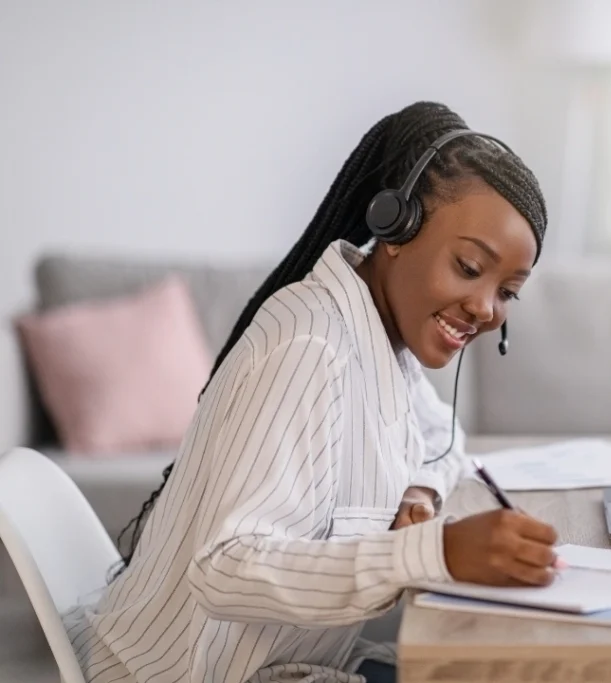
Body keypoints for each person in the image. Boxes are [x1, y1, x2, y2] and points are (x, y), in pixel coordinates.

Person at [61, 101, 560, 683]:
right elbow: (224, 567)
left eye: (509, 292)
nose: (485, 308)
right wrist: (436, 553)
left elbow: (442, 439)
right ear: (395, 228)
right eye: (470, 267)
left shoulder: (383, 339)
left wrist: (419, 492)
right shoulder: (312, 346)